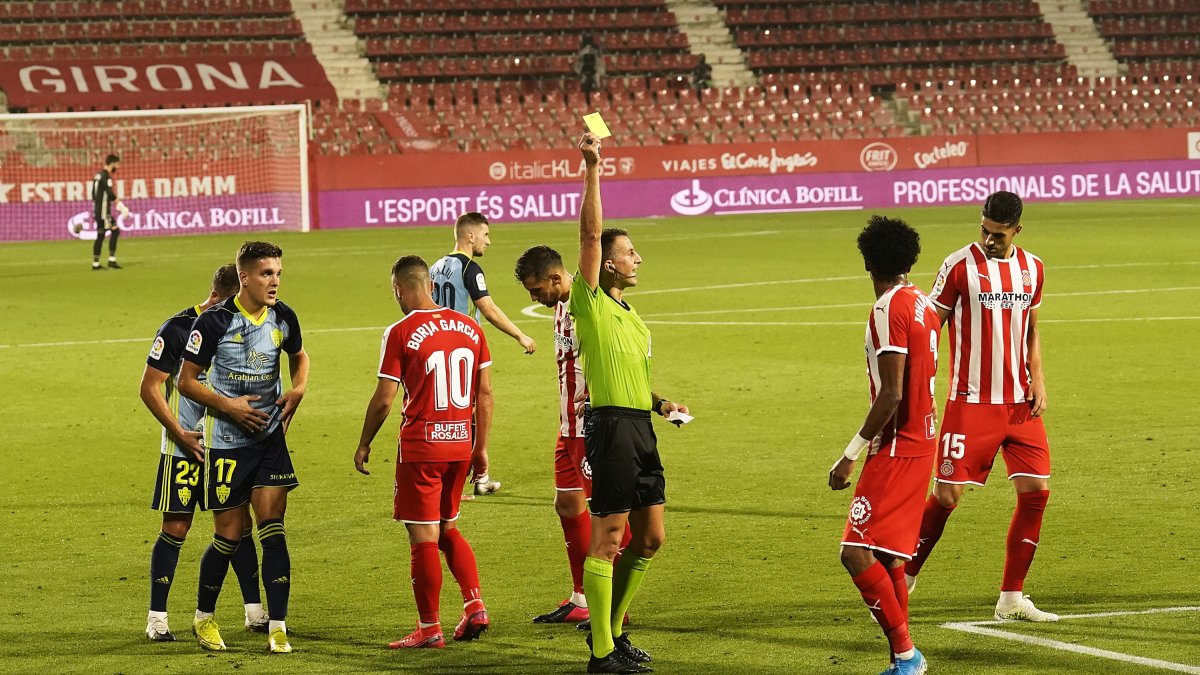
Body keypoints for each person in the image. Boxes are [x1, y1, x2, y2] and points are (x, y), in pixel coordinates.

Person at [902, 191, 1057, 623]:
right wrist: (917, 385)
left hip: (1019, 404)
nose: (989, 239)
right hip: (970, 404)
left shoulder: (1034, 269)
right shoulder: (958, 266)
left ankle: (1011, 598)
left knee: (1036, 493)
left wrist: (1038, 378)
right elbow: (931, 327)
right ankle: (904, 578)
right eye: (984, 230)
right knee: (946, 496)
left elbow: (1031, 329)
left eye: (998, 234)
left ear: (1017, 231)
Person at [573, 131, 689, 674]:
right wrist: (593, 167)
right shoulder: (592, 302)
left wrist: (661, 403)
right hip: (611, 428)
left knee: (650, 538)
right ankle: (600, 652)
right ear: (610, 265)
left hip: (640, 424)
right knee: (610, 537)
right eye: (629, 252)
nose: (637, 257)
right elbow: (592, 233)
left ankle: (614, 631)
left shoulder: (632, 316)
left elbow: (633, 378)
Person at [354, 255, 494, 649]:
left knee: (423, 538)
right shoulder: (471, 327)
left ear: (398, 289)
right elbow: (484, 394)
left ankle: (429, 627)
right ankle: (474, 605)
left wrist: (364, 442)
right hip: (460, 444)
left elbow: (384, 399)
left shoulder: (399, 331)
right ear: (431, 284)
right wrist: (480, 447)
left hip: (421, 447)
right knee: (448, 525)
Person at [178, 241, 310, 653]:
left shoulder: (283, 316)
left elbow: (299, 355)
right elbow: (186, 381)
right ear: (245, 277)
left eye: (278, 273)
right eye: (267, 273)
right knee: (230, 535)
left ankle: (278, 626)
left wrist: (299, 387)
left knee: (273, 530)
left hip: (269, 439)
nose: (275, 281)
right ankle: (204, 617)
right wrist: (229, 406)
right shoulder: (215, 323)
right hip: (227, 444)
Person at [828, 215, 940, 675]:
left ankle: (906, 656)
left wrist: (848, 454)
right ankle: (905, 656)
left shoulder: (888, 309)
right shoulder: (922, 303)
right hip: (924, 441)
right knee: (890, 553)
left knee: (855, 551)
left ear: (868, 262)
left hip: (897, 446)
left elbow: (892, 393)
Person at [138, 263, 268, 641]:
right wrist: (179, 434)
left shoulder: (238, 328)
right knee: (176, 527)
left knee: (238, 527)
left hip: (226, 445)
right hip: (184, 446)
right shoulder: (178, 328)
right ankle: (157, 619)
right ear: (220, 296)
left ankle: (254, 612)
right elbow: (149, 387)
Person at [515, 246, 634, 626]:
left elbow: (591, 238)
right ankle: (582, 596)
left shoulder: (586, 298)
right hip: (567, 428)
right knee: (567, 505)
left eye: (536, 290)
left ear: (556, 278)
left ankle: (616, 604)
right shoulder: (560, 308)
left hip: (591, 429)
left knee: (612, 523)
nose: (534, 299)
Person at [430, 211, 535, 496]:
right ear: (470, 235)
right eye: (486, 235)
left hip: (436, 347)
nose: (489, 241)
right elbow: (487, 309)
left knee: (451, 412)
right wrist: (520, 335)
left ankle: (471, 475)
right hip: (464, 347)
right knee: (476, 405)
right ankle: (469, 475)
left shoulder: (435, 267)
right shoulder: (469, 269)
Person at [91, 153, 129, 270]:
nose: (117, 168)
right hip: (103, 212)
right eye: (116, 165)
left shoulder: (97, 175)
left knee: (101, 235)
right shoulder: (106, 177)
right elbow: (109, 192)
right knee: (115, 231)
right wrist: (120, 205)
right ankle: (111, 260)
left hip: (98, 210)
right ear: (111, 164)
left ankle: (96, 263)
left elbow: (93, 194)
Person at [574, 34, 605, 98]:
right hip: (583, 69)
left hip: (594, 68)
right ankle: (582, 96)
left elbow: (600, 56)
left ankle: (597, 93)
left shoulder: (596, 48)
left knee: (597, 78)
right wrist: (584, 51)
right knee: (583, 80)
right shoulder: (581, 48)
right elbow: (578, 58)